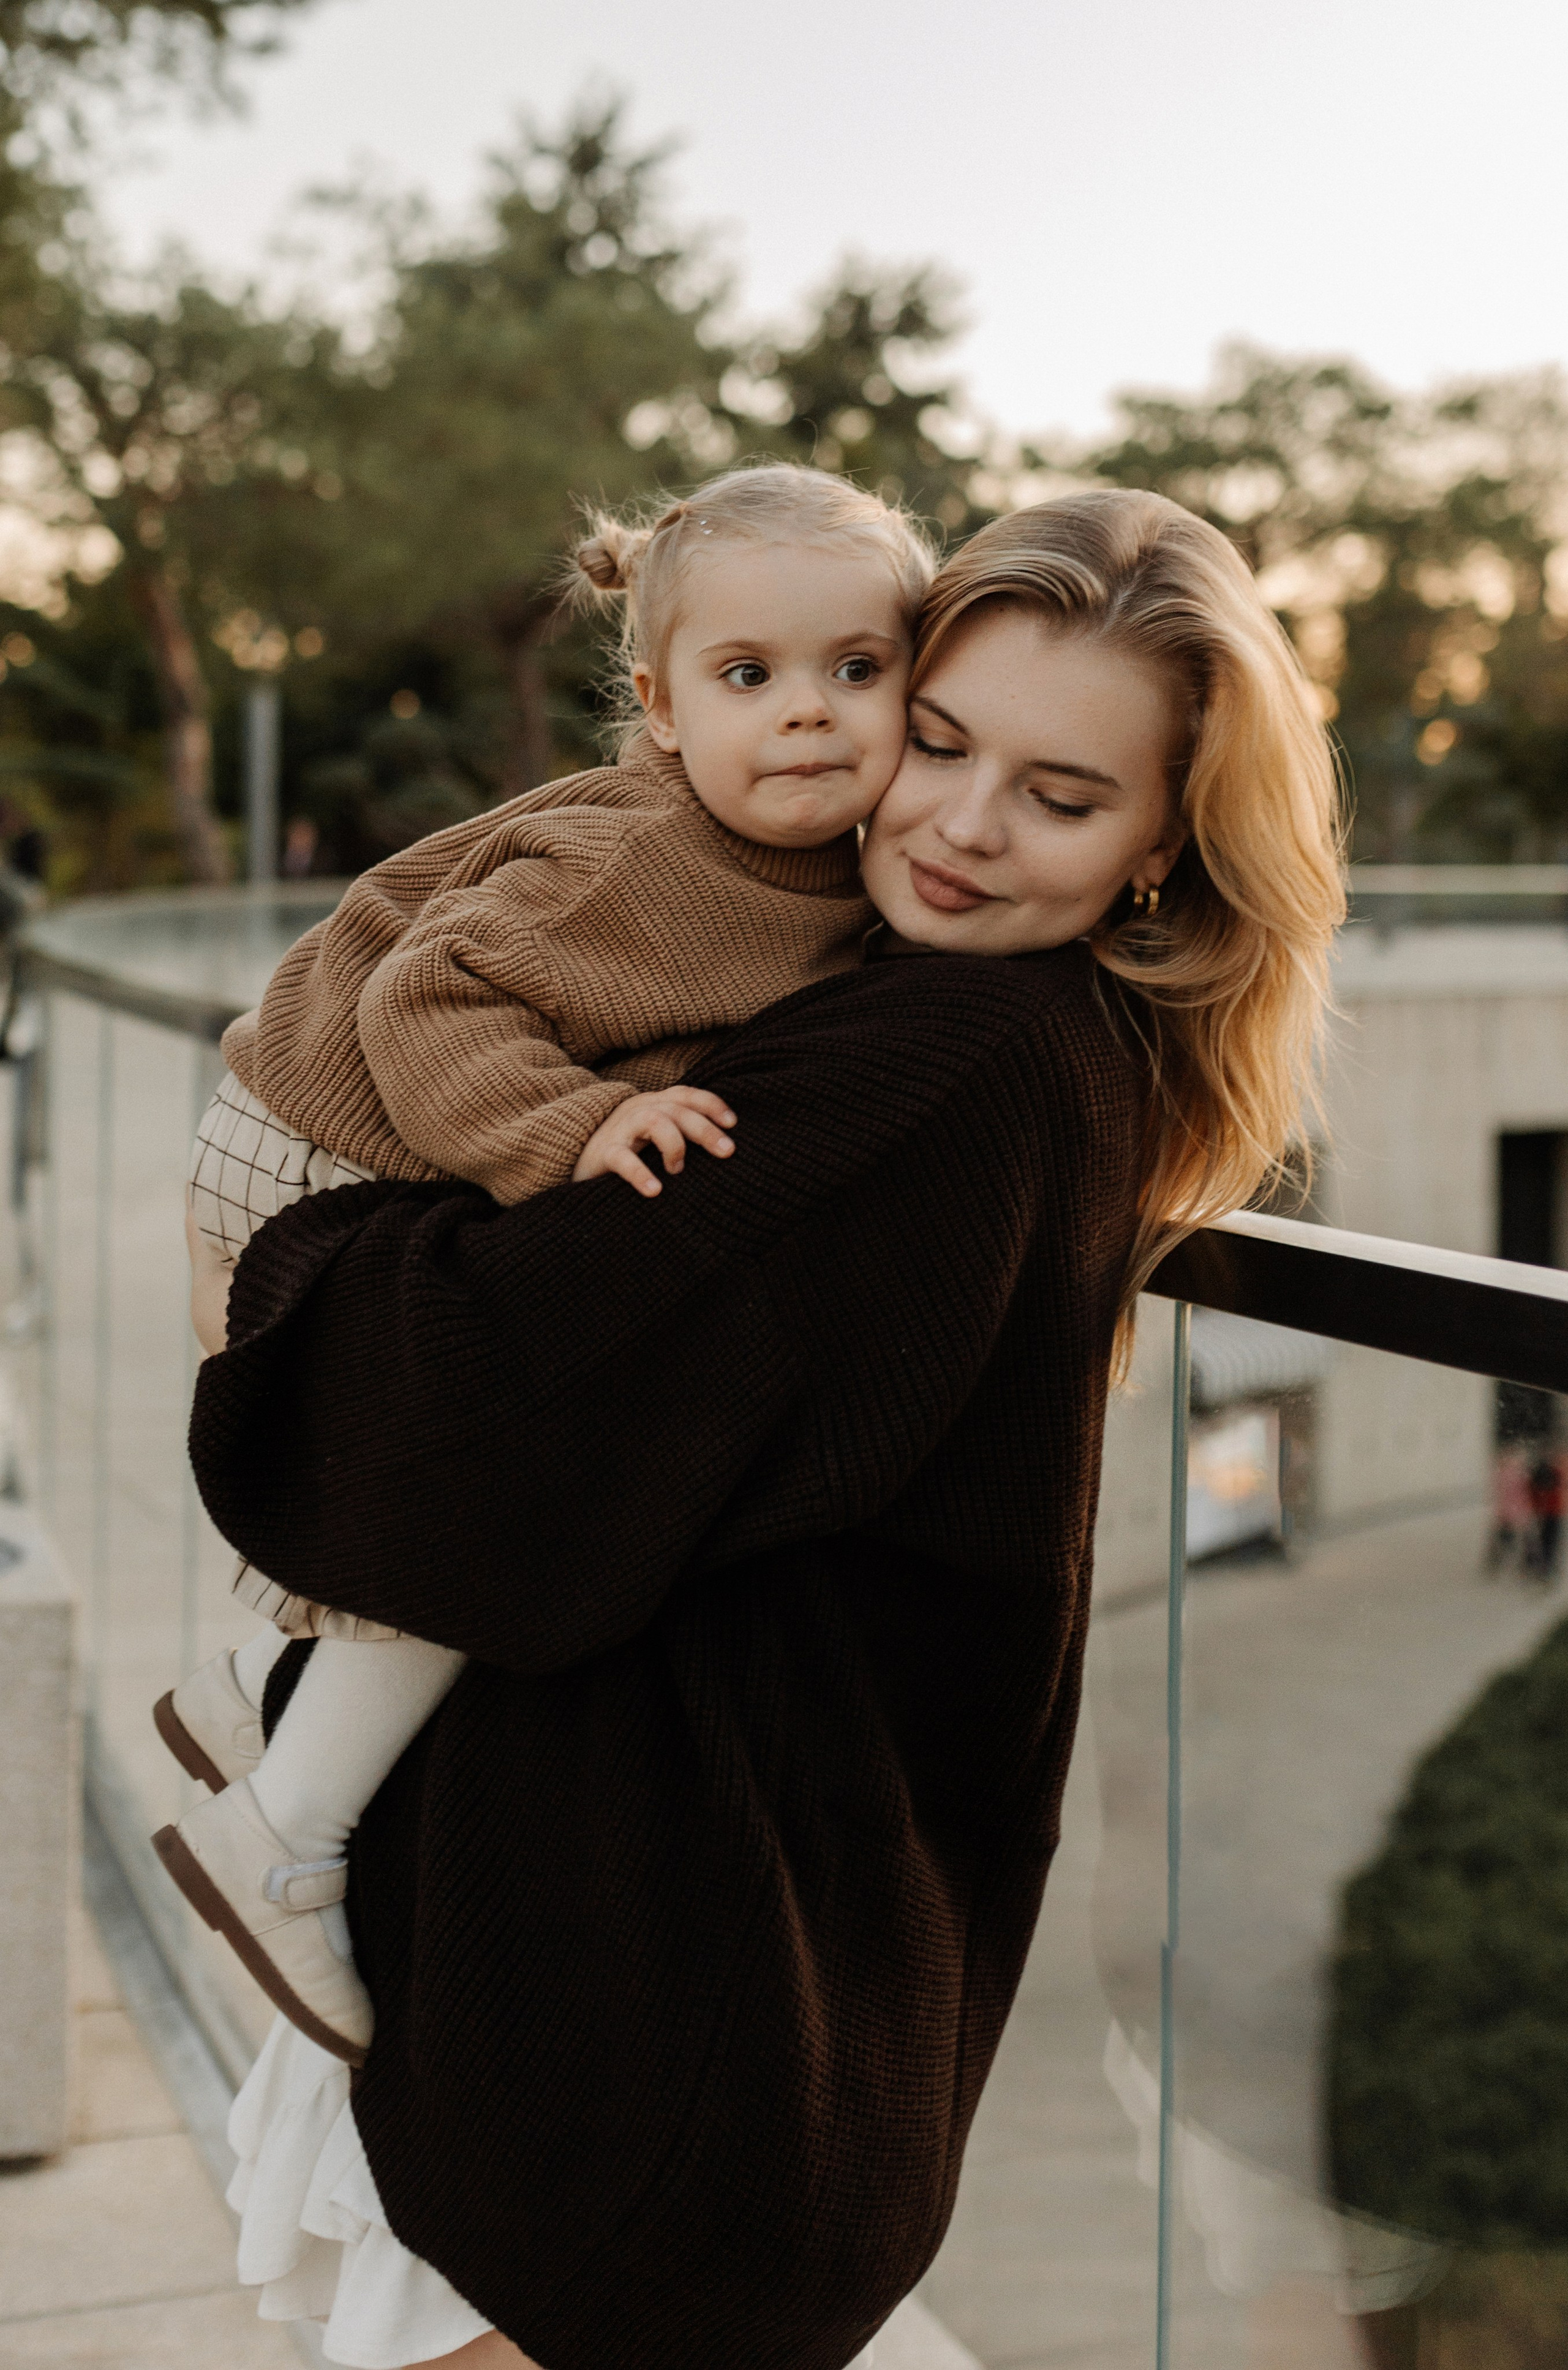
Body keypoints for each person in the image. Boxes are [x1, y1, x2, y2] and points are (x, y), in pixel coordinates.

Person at [187, 489, 1344, 2370]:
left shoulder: (951, 1061)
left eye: (1060, 797)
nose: (959, 825)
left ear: (1163, 844)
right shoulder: (1004, 1020)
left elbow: (500, 1399)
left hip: (645, 1979)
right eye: (939, 743)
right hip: (729, 1956)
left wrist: (287, 1256)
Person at [155, 464, 932, 2064]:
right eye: (750, 675)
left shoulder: (815, 869)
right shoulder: (641, 860)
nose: (810, 712)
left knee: (486, 1459)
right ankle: (281, 1836)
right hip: (307, 1145)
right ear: (662, 709)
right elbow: (426, 1001)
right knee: (495, 1488)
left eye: (859, 668)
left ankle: (262, 1696)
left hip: (362, 1146)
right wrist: (573, 1127)